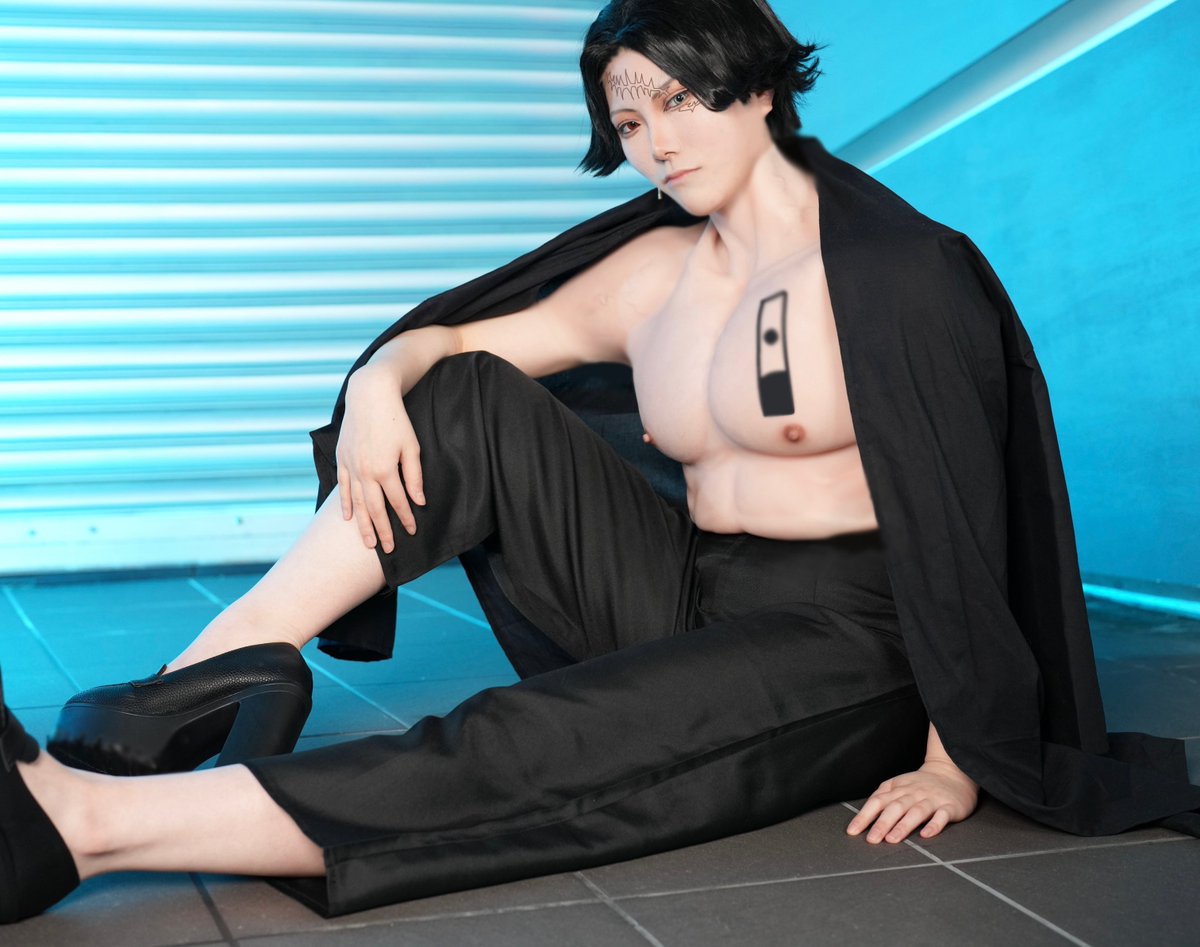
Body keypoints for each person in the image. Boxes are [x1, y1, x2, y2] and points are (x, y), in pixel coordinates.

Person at [3, 0, 1198, 926]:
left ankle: (88, 822)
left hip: (854, 634)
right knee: (461, 393)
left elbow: (970, 520)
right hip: (686, 584)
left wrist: (957, 755)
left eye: (680, 101)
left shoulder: (895, 274)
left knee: (543, 731)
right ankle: (201, 682)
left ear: (762, 88)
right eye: (629, 124)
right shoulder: (656, 270)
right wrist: (372, 386)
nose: (656, 144)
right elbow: (457, 345)